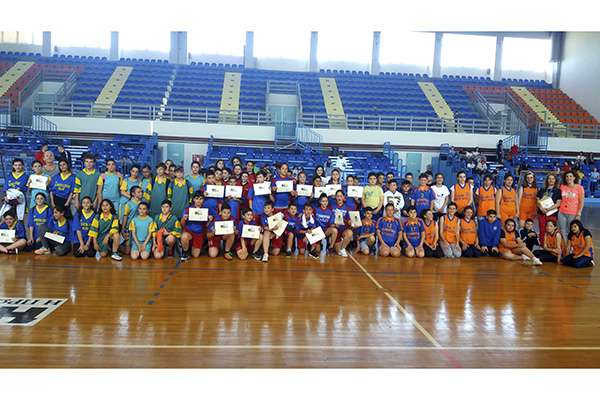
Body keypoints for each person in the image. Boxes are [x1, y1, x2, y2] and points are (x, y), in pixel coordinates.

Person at [557, 170, 585, 249]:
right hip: (561, 212)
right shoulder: (562, 187)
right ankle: (563, 248)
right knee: (562, 231)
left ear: (574, 177)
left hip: (573, 213)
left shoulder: (579, 188)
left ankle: (571, 249)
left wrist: (579, 214)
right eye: (567, 176)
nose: (568, 178)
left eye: (570, 176)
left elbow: (582, 203)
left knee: (572, 231)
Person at [180, 190, 210, 261]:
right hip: (189, 231)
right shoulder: (188, 209)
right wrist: (184, 219)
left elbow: (206, 226)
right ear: (194, 199)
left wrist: (209, 220)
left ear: (203, 200)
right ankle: (185, 252)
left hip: (198, 233)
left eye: (200, 199)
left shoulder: (205, 210)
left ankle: (191, 246)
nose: (198, 201)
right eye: (197, 199)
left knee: (195, 255)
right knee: (184, 237)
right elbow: (182, 224)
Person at [536, 173, 561, 247]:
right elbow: (537, 201)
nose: (551, 180)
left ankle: (551, 246)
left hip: (552, 213)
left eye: (553, 179)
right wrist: (541, 208)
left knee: (551, 230)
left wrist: (549, 209)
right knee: (542, 230)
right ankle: (542, 246)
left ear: (555, 180)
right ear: (547, 180)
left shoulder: (558, 191)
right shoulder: (542, 190)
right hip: (541, 213)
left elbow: (558, 203)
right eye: (549, 178)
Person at [331, 190, 354, 257]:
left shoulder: (347, 207)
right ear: (335, 197)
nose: (339, 198)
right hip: (335, 230)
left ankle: (343, 248)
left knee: (350, 232)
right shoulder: (331, 206)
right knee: (337, 251)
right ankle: (337, 247)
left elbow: (349, 220)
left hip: (343, 229)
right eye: (337, 196)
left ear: (344, 197)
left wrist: (352, 223)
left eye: (341, 196)